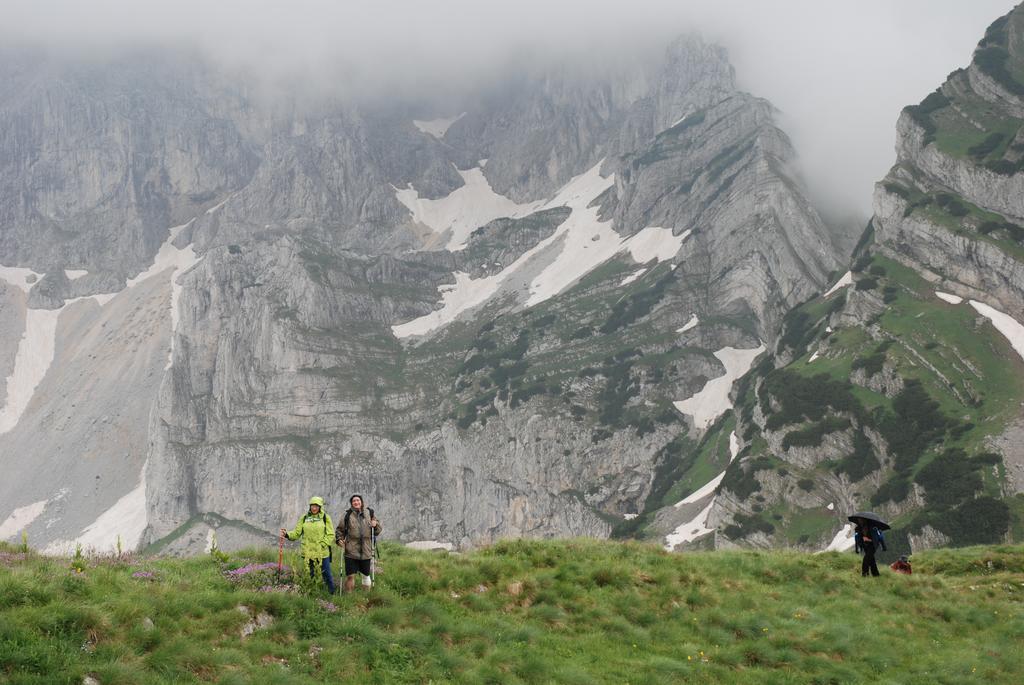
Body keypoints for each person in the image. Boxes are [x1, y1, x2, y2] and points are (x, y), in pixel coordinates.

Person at [281, 496, 336, 594]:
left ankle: (331, 594)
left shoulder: (325, 517)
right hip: (308, 552)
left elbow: (330, 534)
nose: (314, 508)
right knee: (310, 574)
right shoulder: (304, 518)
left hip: (322, 552)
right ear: (310, 506)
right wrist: (287, 534)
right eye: (312, 506)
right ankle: (312, 593)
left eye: (316, 506)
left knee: (326, 573)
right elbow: (297, 533)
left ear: (320, 507)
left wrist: (322, 545)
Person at [335, 494, 381, 592]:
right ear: (351, 503)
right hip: (351, 551)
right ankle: (349, 598)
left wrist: (375, 525)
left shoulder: (369, 513)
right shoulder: (347, 515)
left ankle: (365, 598)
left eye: (358, 500)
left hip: (366, 550)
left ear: (361, 502)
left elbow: (377, 531)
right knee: (350, 576)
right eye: (354, 501)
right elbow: (339, 530)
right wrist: (339, 539)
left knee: (366, 576)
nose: (356, 502)